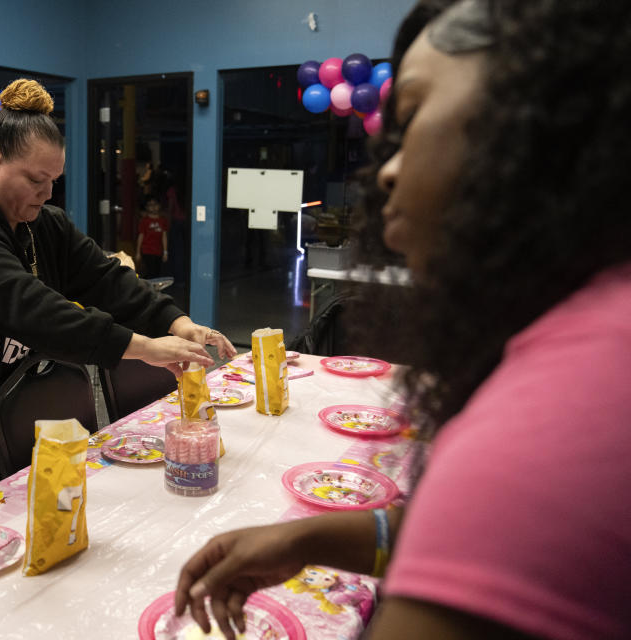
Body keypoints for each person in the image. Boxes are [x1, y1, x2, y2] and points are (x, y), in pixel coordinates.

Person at [174, 2, 631, 639]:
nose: (385, 168)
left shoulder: (562, 415)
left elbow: (501, 510)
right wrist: (312, 538)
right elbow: (484, 534)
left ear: (543, 131)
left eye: (411, 117)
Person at [0, 79, 234, 502]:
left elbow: (104, 278)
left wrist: (176, 323)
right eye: (36, 179)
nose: (49, 193)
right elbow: (33, 310)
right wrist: (144, 347)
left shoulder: (41, 222)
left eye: (54, 179)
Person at [136, 196, 168, 278]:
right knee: (150, 271)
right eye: (150, 205)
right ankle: (148, 289)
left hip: (159, 250)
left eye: (155, 204)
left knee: (157, 271)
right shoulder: (144, 221)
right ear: (146, 207)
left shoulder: (163, 220)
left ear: (159, 206)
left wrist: (165, 251)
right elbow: (141, 236)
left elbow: (164, 236)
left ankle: (153, 289)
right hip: (147, 250)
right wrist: (138, 252)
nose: (153, 207)